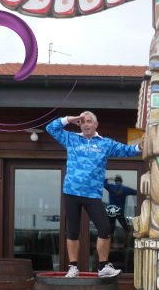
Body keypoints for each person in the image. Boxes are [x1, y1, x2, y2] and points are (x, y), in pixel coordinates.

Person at [46, 111, 142, 277]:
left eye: (89, 121)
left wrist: (140, 147)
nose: (85, 124)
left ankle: (103, 266)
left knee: (105, 229)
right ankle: (73, 267)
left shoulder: (105, 143)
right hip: (71, 192)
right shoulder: (71, 139)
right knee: (72, 231)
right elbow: (50, 128)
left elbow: (127, 150)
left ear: (96, 125)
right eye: (82, 122)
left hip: (93, 194)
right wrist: (69, 119)